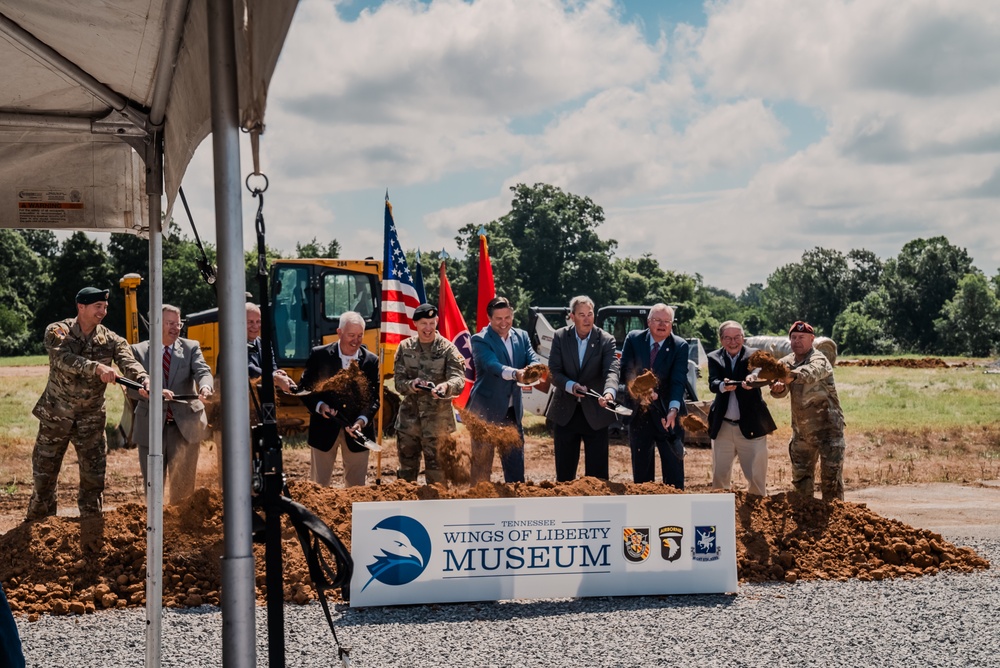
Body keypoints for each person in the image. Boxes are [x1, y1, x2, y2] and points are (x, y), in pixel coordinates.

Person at [26, 287, 149, 521]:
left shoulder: (111, 339)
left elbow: (128, 361)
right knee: (44, 480)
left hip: (91, 421)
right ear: (80, 307)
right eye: (97, 307)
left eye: (105, 307)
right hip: (56, 419)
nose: (103, 312)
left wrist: (144, 379)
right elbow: (62, 358)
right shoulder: (58, 331)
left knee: (94, 481)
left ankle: (91, 531)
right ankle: (36, 531)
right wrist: (96, 367)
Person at [131, 305, 213, 504]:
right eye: (170, 324)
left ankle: (181, 530)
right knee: (153, 485)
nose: (176, 328)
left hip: (185, 427)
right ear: (156, 324)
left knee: (184, 488)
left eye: (178, 324)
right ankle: (156, 530)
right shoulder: (138, 351)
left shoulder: (190, 347)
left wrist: (205, 387)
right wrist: (144, 391)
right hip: (151, 428)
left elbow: (203, 371)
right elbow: (131, 385)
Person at [298, 311, 379, 487]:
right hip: (324, 432)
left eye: (359, 335)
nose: (356, 341)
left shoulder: (371, 361)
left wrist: (361, 422)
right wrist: (320, 406)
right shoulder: (320, 355)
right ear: (339, 332)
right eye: (351, 335)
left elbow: (374, 399)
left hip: (358, 435)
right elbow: (304, 389)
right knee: (318, 487)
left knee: (357, 489)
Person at [467, 296, 541, 484]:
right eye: (498, 318)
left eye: (507, 317)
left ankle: (515, 505)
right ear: (489, 319)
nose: (504, 323)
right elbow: (492, 365)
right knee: (482, 469)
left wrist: (534, 370)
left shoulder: (522, 336)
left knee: (515, 467)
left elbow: (532, 358)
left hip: (512, 412)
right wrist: (516, 374)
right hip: (484, 412)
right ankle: (479, 505)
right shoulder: (479, 340)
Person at [545, 295, 620, 481]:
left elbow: (612, 370)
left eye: (590, 314)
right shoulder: (560, 336)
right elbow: (553, 371)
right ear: (572, 316)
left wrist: (609, 393)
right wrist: (570, 386)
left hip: (596, 412)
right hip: (566, 413)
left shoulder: (606, 340)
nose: (587, 319)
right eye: (582, 315)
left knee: (597, 476)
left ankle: (597, 510)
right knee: (564, 475)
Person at [770, 321, 847, 501]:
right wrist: (778, 388)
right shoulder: (785, 362)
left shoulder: (819, 359)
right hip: (802, 433)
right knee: (801, 484)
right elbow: (779, 391)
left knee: (831, 484)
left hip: (829, 432)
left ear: (812, 339)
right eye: (794, 337)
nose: (797, 341)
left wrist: (789, 375)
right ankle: (806, 523)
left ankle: (836, 526)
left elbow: (811, 372)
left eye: (802, 337)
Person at [393, 303, 467, 483]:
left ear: (437, 322)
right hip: (409, 424)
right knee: (406, 477)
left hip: (438, 425)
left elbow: (459, 379)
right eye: (424, 323)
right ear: (415, 324)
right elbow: (398, 383)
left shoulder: (448, 349)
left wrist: (445, 387)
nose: (428, 328)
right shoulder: (405, 347)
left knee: (438, 478)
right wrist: (413, 384)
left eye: (432, 323)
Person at [618, 303, 689, 488]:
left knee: (673, 475)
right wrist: (639, 390)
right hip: (639, 415)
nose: (662, 325)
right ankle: (644, 514)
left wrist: (673, 409)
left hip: (668, 416)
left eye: (667, 321)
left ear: (671, 324)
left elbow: (678, 381)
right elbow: (625, 370)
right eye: (658, 320)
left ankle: (673, 514)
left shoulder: (680, 346)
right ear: (649, 322)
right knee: (642, 476)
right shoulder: (634, 339)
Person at [707, 320, 777, 496]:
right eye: (728, 338)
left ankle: (757, 514)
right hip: (723, 425)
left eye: (737, 337)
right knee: (720, 476)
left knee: (756, 478)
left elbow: (760, 373)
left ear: (743, 338)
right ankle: (721, 514)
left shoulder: (755, 355)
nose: (733, 342)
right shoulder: (714, 357)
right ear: (721, 340)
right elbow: (713, 382)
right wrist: (723, 386)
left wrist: (753, 380)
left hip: (751, 424)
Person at [246, 302, 293, 394]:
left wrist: (279, 374)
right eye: (250, 322)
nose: (255, 326)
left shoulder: (265, 344)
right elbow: (249, 368)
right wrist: (274, 377)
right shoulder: (232, 347)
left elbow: (272, 366)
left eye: (258, 321)